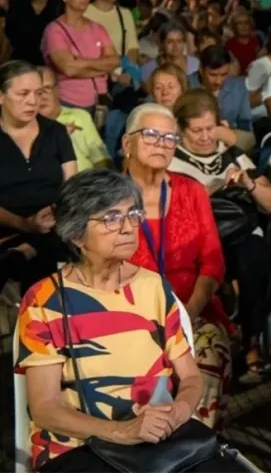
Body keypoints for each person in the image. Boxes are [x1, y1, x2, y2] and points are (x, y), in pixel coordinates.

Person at [14, 169, 243, 472]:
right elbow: (45, 409)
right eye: (110, 218)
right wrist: (125, 432)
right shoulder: (45, 300)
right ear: (76, 235)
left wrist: (176, 413)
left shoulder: (154, 287)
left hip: (157, 442)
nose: (127, 227)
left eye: (132, 213)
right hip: (79, 447)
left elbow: (189, 377)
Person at [122, 103, 231, 429]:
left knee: (206, 365)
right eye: (151, 135)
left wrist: (188, 313)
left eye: (169, 138)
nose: (162, 144)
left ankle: (191, 456)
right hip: (128, 318)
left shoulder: (191, 191)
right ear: (127, 143)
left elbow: (212, 261)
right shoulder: (107, 197)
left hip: (191, 315)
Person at [169, 89, 271, 384]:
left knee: (255, 257)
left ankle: (251, 340)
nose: (205, 137)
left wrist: (248, 183)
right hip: (195, 235)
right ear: (181, 129)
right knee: (207, 260)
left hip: (239, 231)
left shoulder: (232, 155)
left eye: (210, 128)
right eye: (197, 131)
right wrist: (207, 193)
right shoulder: (171, 161)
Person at [0, 62, 78, 290]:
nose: (33, 101)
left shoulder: (56, 132)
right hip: (7, 226)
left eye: (39, 92)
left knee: (66, 233)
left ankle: (26, 251)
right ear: (2, 96)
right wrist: (24, 224)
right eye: (23, 94)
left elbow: (71, 186)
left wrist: (55, 212)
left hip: (54, 224)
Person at [42, 0, 120, 114]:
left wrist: (79, 62)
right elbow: (68, 68)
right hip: (67, 101)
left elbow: (114, 60)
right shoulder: (54, 30)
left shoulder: (97, 28)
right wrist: (102, 68)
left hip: (98, 101)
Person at [37, 66, 111, 171]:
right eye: (37, 91)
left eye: (47, 88)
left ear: (58, 90)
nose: (42, 96)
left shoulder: (80, 116)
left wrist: (104, 183)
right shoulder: (26, 124)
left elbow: (100, 157)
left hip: (86, 183)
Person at [187, 45, 255, 152]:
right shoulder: (186, 85)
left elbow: (246, 129)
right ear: (201, 69)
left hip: (230, 142)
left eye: (224, 74)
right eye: (213, 75)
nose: (219, 81)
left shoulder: (238, 86)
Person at [5, 0, 63, 66]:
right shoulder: (17, 6)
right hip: (22, 62)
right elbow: (10, 35)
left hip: (52, 62)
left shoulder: (59, 5)